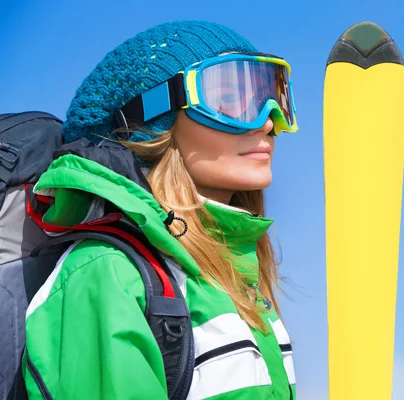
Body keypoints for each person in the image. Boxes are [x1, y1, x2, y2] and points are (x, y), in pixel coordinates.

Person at [22, 20, 298, 399]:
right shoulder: (109, 274)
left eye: (274, 96)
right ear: (153, 118)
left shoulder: (236, 279)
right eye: (231, 99)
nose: (268, 121)